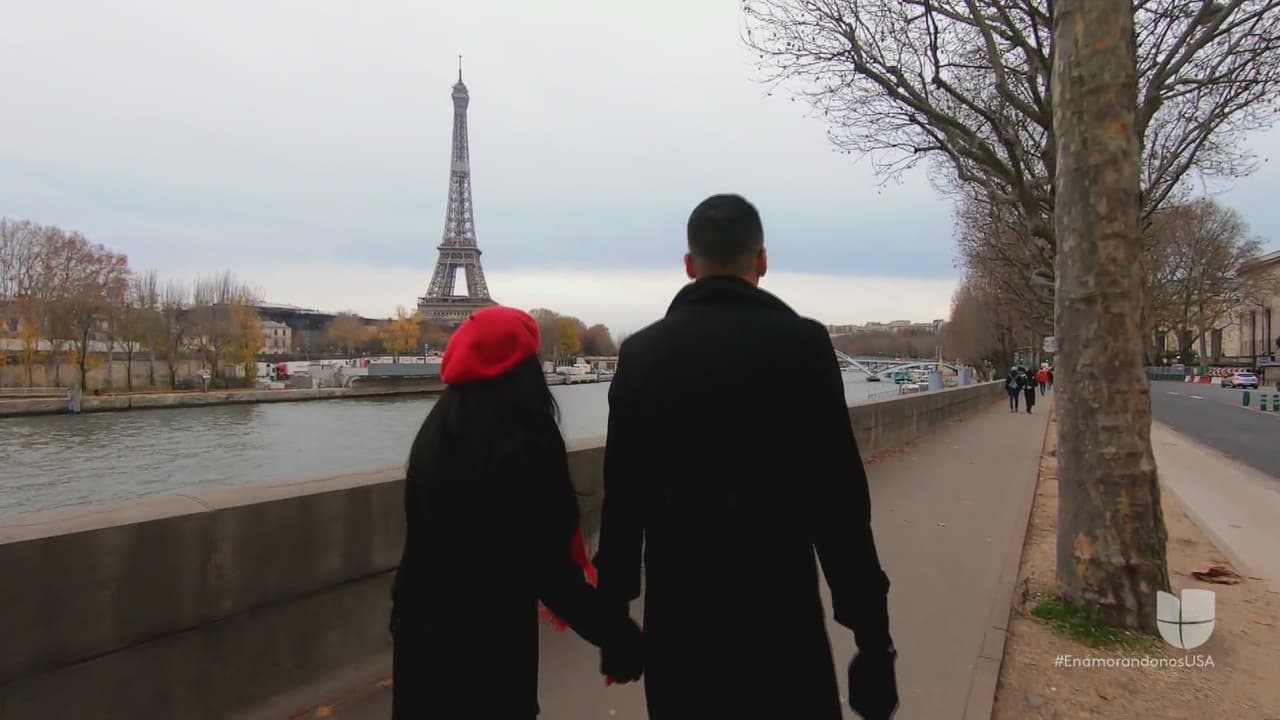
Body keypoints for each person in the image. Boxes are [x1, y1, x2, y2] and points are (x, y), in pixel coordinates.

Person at [594, 194, 898, 720]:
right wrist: (874, 640)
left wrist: (615, 620)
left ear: (689, 266)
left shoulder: (642, 355)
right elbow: (841, 505)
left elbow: (623, 502)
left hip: (681, 622)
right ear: (761, 260)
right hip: (781, 617)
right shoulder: (804, 346)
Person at [389, 307, 643, 719]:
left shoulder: (436, 432)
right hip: (489, 648)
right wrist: (617, 636)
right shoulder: (523, 447)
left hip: (420, 632)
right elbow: (552, 575)